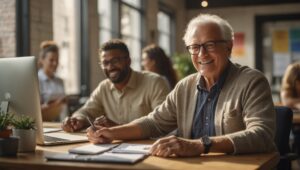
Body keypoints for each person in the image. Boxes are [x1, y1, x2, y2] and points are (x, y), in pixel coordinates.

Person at [86, 14, 276, 157]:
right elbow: (153, 122)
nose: (201, 54)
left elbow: (261, 135)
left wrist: (201, 145)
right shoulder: (185, 86)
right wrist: (111, 133)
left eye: (210, 45)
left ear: (229, 46)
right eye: (194, 47)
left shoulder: (252, 81)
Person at [62, 39, 170, 132]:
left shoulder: (155, 82)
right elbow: (86, 111)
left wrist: (118, 129)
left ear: (128, 61)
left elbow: (162, 122)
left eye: (115, 61)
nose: (110, 67)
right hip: (112, 149)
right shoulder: (104, 87)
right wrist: (77, 120)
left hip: (149, 148)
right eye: (105, 63)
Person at [38, 40, 67, 121]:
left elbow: (64, 109)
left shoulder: (60, 81)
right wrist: (55, 104)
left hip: (60, 124)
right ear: (42, 60)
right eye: (51, 60)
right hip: (45, 125)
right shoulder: (36, 80)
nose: (55, 63)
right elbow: (34, 111)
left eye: (57, 60)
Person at [281, 62, 300, 156]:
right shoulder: (287, 90)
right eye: (298, 83)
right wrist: (297, 103)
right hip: (294, 127)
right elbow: (286, 101)